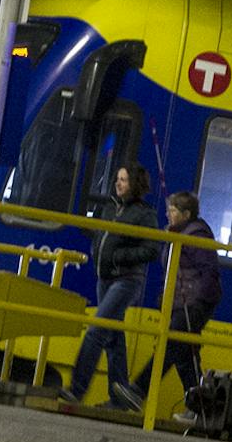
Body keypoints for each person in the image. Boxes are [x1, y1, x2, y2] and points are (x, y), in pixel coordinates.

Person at [60, 164, 159, 412]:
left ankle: (76, 389)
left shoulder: (145, 215)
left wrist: (117, 257)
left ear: (134, 184)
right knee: (113, 339)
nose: (118, 183)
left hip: (126, 280)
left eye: (123, 180)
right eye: (118, 179)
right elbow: (100, 237)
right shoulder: (109, 208)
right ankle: (119, 399)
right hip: (104, 279)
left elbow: (151, 250)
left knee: (96, 331)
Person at [127, 190, 221, 423]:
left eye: (173, 210)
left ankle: (138, 390)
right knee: (184, 356)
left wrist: (199, 302)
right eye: (168, 209)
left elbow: (208, 271)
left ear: (186, 214)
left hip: (193, 303)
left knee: (171, 346)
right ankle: (200, 408)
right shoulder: (178, 234)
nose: (168, 214)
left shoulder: (196, 236)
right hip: (181, 303)